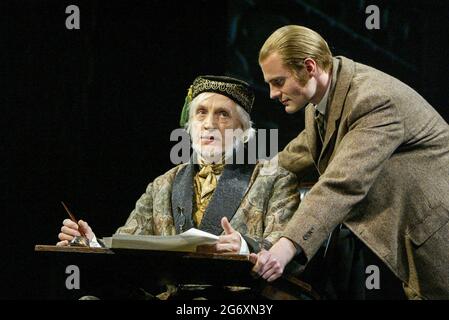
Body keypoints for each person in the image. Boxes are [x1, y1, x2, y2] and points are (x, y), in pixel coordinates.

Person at [250, 25, 449, 299]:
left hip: (435, 235)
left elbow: (342, 183)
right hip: (402, 239)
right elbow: (304, 149)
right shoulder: (322, 99)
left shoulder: (372, 99)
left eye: (278, 82)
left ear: (309, 67)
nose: (272, 93)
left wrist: (286, 247)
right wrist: (250, 175)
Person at [57, 75, 300, 299]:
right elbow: (128, 245)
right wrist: (92, 245)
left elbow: (285, 246)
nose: (209, 124)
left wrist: (245, 247)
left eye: (223, 114)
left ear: (244, 130)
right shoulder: (163, 184)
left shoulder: (275, 179)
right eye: (201, 113)